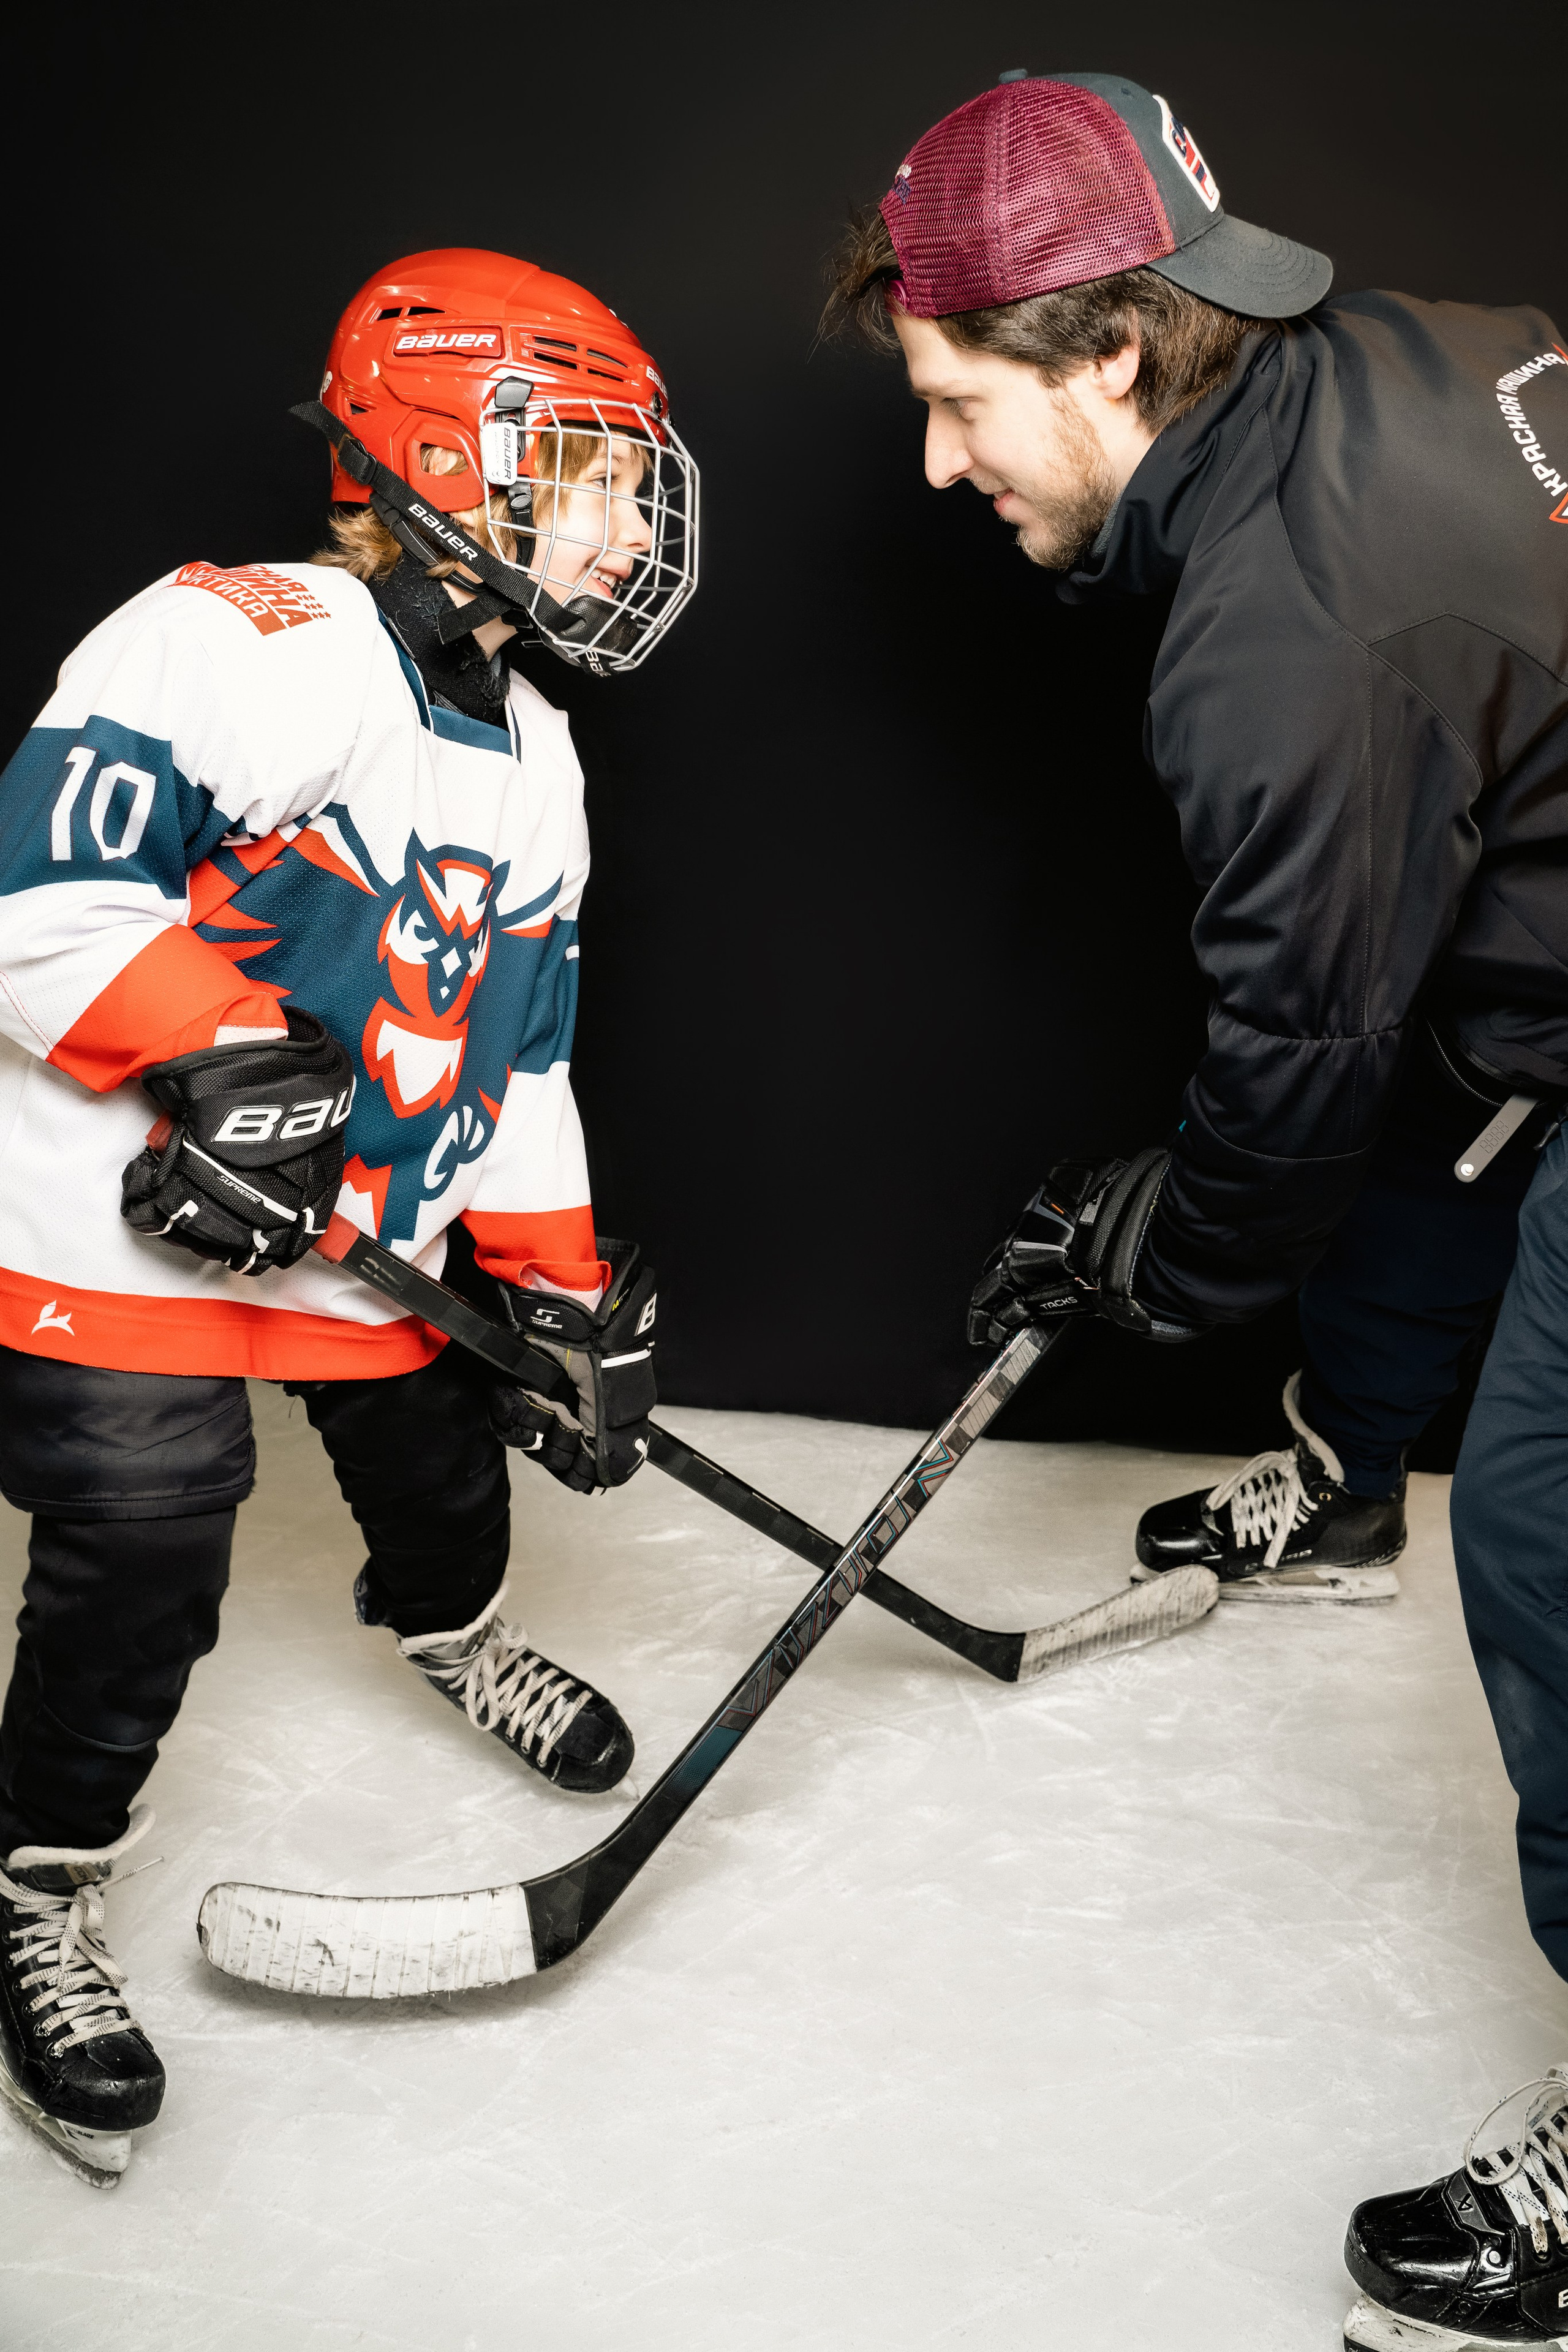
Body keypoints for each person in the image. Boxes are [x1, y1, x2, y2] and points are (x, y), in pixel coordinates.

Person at [826, 72, 1568, 2348]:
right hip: (1534, 955)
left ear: (1119, 352)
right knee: (1438, 1131)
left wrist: (1169, 1253)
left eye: (961, 404)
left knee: (1546, 1514)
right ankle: (1342, 1486)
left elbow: (1298, 1048)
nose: (938, 465)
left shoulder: (1282, 632)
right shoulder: (1389, 357)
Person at [0, 245, 698, 2190]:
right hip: (126, 1218)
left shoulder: (539, 751)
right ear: (447, 458)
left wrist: (557, 1290)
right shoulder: (233, 637)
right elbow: (43, 896)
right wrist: (221, 1048)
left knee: (446, 1472)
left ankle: (450, 1632)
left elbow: (522, 1055)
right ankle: (39, 1879)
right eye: (592, 478)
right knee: (145, 1549)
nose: (631, 529)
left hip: (361, 1231)